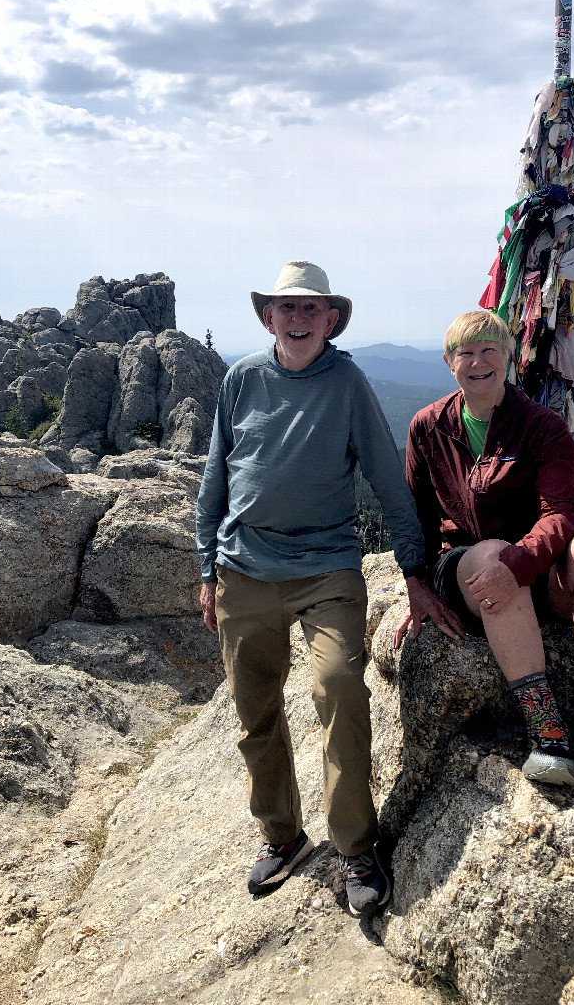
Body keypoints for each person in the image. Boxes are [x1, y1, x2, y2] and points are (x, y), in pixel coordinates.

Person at [196, 260, 460, 917]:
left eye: (311, 308)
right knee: (254, 712)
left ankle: (355, 847)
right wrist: (207, 570)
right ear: (268, 317)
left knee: (339, 686)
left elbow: (387, 479)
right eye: (287, 307)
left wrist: (415, 573)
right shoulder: (241, 380)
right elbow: (215, 480)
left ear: (331, 319)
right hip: (243, 570)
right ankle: (281, 837)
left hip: (326, 569)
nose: (298, 317)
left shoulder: (346, 382)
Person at [393, 309, 574, 788]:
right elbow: (414, 518)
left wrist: (519, 564)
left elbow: (561, 512)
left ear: (510, 358)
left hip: (529, 566)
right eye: (466, 353)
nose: (478, 362)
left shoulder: (540, 425)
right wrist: (416, 586)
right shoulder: (427, 427)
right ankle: (546, 731)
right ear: (449, 362)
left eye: (490, 350)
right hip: (466, 568)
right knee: (490, 552)